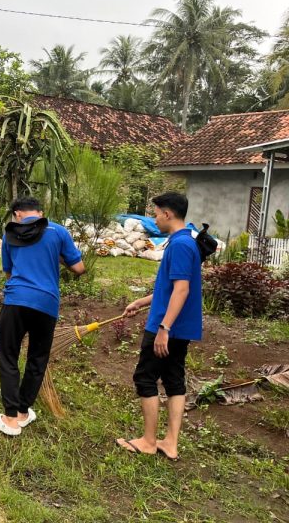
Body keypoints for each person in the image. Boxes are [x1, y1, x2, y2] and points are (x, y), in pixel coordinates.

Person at [0, 197, 85, 436]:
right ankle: (22, 413)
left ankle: (9, 420)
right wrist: (57, 257)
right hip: (47, 304)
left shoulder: (10, 234)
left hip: (17, 301)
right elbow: (79, 268)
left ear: (17, 214)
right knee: (37, 358)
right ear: (40, 213)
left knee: (8, 355)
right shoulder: (58, 231)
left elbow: (8, 273)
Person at [116, 192, 203, 461]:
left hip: (168, 326)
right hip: (182, 326)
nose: (154, 218)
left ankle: (148, 441)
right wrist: (142, 302)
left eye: (155, 213)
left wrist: (164, 328)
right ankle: (170, 443)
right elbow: (171, 288)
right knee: (174, 380)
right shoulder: (188, 240)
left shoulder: (179, 246)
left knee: (145, 377)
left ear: (167, 214)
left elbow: (182, 290)